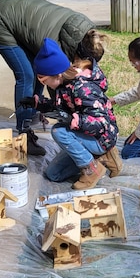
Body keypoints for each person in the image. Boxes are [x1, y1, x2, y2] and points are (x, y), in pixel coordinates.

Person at [0, 0, 108, 156]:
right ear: (79, 54)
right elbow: (57, 87)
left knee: (37, 73)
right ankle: (24, 134)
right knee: (27, 75)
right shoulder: (57, 45)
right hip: (2, 18)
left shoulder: (85, 34)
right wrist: (71, 117)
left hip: (23, 14)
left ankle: (32, 113)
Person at [22, 38, 120, 190]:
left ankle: (92, 170)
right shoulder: (63, 85)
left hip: (102, 136)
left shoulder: (82, 88)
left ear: (57, 74)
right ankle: (103, 156)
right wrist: (37, 103)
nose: (42, 83)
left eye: (42, 79)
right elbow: (59, 105)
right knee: (53, 174)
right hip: (86, 133)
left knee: (59, 131)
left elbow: (101, 122)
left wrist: (74, 121)